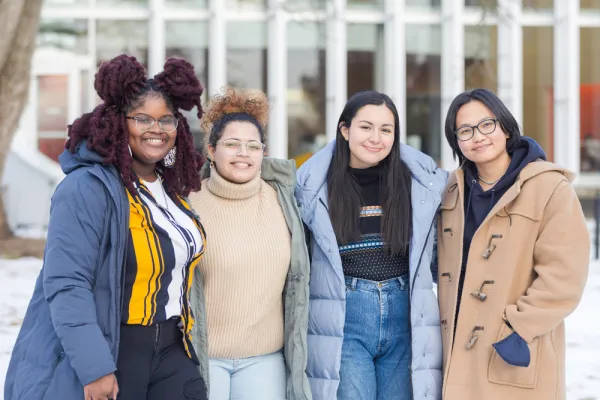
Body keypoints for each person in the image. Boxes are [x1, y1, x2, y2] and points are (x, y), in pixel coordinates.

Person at [4, 54, 210, 400]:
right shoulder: (86, 188)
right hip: (115, 349)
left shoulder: (173, 192)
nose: (156, 129)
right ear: (117, 122)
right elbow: (68, 282)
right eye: (142, 119)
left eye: (167, 120)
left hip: (173, 348)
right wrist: (95, 368)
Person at [437, 88, 589, 400]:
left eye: (486, 124)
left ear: (505, 126)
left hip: (511, 349)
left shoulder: (549, 187)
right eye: (465, 131)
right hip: (454, 352)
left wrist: (518, 329)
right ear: (456, 142)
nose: (477, 136)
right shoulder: (451, 190)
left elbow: (564, 277)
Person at [295, 90, 448, 400]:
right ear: (345, 129)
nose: (376, 138)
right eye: (366, 127)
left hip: (405, 314)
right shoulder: (313, 185)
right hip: (344, 314)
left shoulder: (419, 184)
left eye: (386, 129)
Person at [188, 89, 311, 400]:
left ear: (263, 153)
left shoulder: (285, 199)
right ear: (211, 150)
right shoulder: (188, 203)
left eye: (253, 146)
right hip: (203, 359)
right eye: (232, 144)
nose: (243, 153)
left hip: (265, 360)